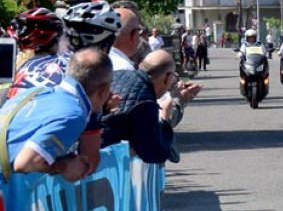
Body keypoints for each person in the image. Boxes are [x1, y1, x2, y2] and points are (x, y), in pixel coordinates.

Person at [2, 48, 112, 182]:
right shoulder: (73, 115)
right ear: (102, 90)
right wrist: (64, 167)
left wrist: (63, 159)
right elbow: (24, 163)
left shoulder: (36, 92)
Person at [101, 50, 177, 164]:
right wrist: (164, 116)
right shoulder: (145, 102)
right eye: (173, 77)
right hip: (105, 163)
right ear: (167, 77)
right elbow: (154, 153)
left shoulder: (117, 74)